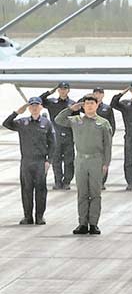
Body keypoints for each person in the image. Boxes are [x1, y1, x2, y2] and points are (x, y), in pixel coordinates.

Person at [55, 96, 113, 235]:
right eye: (87, 104)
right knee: (82, 193)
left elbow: (108, 145)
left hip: (96, 160)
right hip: (81, 160)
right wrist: (70, 109)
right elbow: (58, 120)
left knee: (95, 194)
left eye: (92, 104)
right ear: (83, 106)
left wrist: (106, 163)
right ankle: (82, 223)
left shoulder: (103, 123)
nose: (89, 106)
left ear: (97, 105)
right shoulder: (76, 120)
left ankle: (93, 224)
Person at [3, 97, 55, 225]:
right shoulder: (22, 122)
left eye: (37, 105)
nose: (34, 107)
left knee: (41, 190)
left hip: (40, 162)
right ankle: (27, 217)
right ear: (29, 108)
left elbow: (53, 143)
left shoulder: (46, 123)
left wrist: (49, 161)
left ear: (41, 107)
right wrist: (16, 112)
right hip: (26, 161)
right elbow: (6, 124)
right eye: (32, 105)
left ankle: (39, 217)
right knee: (26, 189)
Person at [39, 82, 75, 190]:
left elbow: (76, 120)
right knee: (56, 161)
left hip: (69, 135)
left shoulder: (72, 104)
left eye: (65, 89)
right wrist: (50, 92)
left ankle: (67, 182)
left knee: (69, 160)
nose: (63, 91)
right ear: (58, 90)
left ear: (68, 90)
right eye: (61, 89)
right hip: (55, 136)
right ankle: (58, 181)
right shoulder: (52, 102)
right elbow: (40, 99)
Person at [78, 87, 115, 189]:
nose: (98, 95)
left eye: (100, 93)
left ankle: (102, 182)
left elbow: (112, 124)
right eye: (96, 93)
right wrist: (86, 98)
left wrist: (109, 138)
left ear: (103, 95)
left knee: (104, 160)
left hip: (103, 138)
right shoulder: (87, 106)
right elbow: (77, 105)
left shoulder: (107, 108)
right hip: (90, 138)